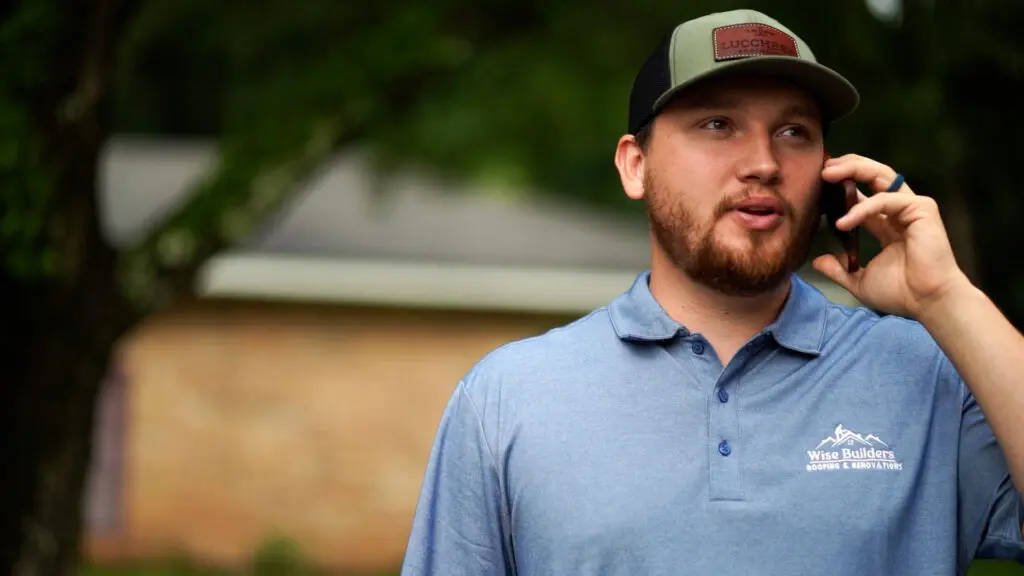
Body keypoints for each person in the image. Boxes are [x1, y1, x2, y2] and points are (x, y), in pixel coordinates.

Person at [400, 9, 1024, 576]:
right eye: (718, 123)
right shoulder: (507, 398)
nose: (763, 162)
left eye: (794, 132)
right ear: (634, 165)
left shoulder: (929, 375)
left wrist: (946, 297)